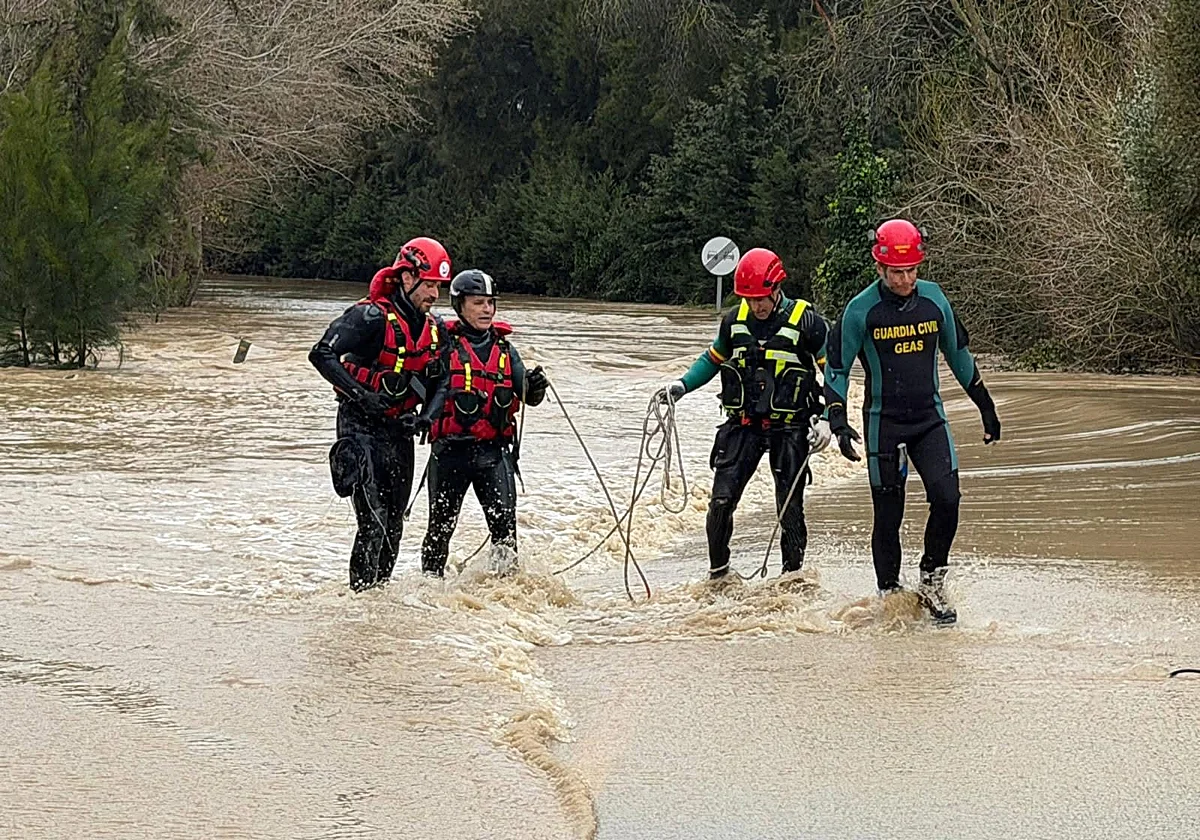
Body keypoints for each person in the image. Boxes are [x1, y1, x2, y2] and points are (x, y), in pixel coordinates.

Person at [823, 219, 1002, 624]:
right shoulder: (860, 311)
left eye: (912, 271)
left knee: (948, 498)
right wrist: (837, 419)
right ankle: (890, 595)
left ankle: (931, 580)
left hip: (928, 421)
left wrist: (985, 406)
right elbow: (836, 370)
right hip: (883, 423)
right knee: (888, 514)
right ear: (880, 268)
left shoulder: (934, 300)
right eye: (897, 272)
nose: (905, 280)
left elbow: (959, 356)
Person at [661, 248, 832, 579]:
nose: (757, 306)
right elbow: (711, 360)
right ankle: (719, 576)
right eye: (750, 299)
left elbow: (833, 372)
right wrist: (681, 386)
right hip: (743, 425)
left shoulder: (807, 322)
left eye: (762, 298)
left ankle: (791, 579)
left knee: (789, 507)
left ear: (776, 288)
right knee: (721, 502)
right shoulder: (733, 322)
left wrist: (828, 417)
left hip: (790, 426)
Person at [309, 237, 453, 591]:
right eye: (430, 285)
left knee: (393, 526)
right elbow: (321, 354)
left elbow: (444, 380)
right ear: (407, 277)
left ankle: (378, 604)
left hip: (399, 432)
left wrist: (427, 417)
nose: (435, 295)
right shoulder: (369, 317)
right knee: (371, 524)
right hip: (359, 428)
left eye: (439, 287)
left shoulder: (435, 330)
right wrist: (361, 395)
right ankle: (359, 601)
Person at [419, 270, 548, 578]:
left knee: (504, 529)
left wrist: (536, 385)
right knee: (440, 529)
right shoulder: (440, 345)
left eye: (491, 303)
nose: (487, 310)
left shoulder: (505, 350)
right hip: (449, 452)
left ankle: (504, 590)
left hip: (493, 454)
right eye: (478, 303)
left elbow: (529, 398)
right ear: (459, 306)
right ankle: (430, 589)